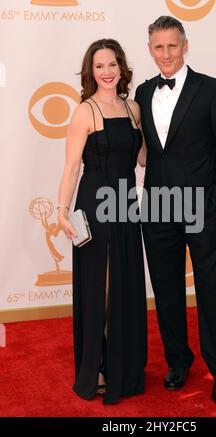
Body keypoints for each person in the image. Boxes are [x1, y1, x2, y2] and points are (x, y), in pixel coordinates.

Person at [135, 16, 216, 404]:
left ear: (185, 46)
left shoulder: (213, 90)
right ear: (150, 50)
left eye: (172, 46)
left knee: (211, 288)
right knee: (165, 289)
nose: (166, 53)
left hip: (201, 205)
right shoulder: (144, 93)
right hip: (158, 206)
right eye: (158, 47)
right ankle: (178, 361)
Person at [57, 39, 147, 405]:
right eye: (99, 66)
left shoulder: (134, 108)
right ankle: (95, 365)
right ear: (90, 72)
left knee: (125, 283)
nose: (107, 71)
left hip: (126, 205)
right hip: (94, 205)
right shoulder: (85, 111)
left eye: (112, 64)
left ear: (121, 68)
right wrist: (61, 210)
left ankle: (122, 365)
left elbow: (142, 158)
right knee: (102, 287)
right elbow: (72, 166)